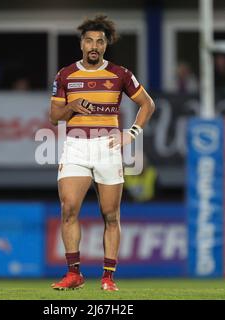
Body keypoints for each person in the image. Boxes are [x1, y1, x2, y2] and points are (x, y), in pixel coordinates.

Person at [48, 15, 155, 291]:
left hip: (108, 147)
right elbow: (54, 116)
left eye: (99, 41)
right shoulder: (65, 75)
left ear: (105, 45)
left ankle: (108, 277)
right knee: (69, 208)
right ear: (81, 44)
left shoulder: (120, 74)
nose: (93, 45)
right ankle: (74, 274)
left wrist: (131, 134)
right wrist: (72, 107)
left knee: (110, 214)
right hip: (76, 146)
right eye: (89, 40)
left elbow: (148, 105)